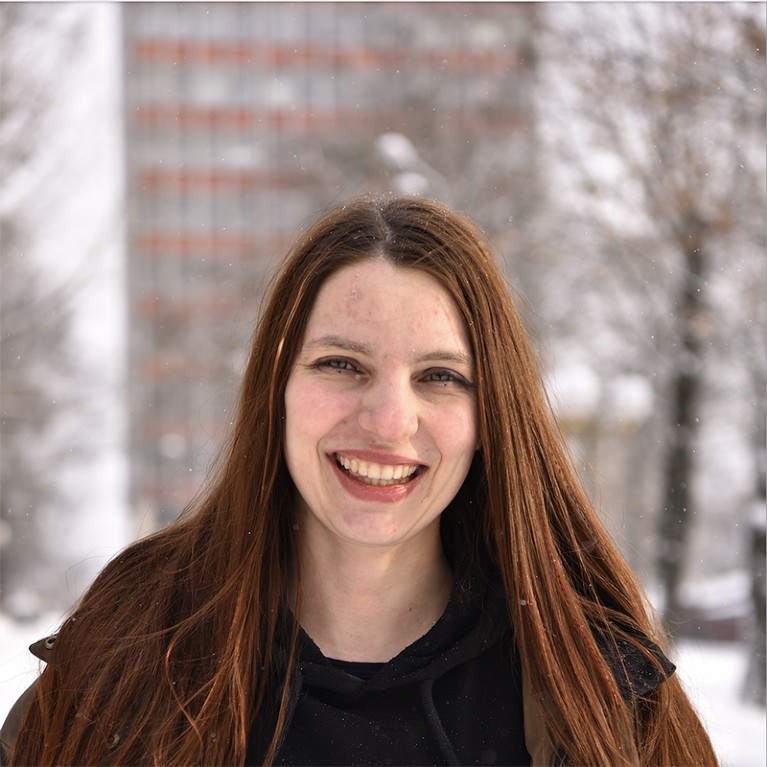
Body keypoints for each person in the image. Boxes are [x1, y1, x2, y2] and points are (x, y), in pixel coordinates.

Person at [1, 196, 718, 766]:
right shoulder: (131, 650)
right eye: (342, 364)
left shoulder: (594, 685)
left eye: (439, 376)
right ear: (275, 388)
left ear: (490, 414)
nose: (387, 420)